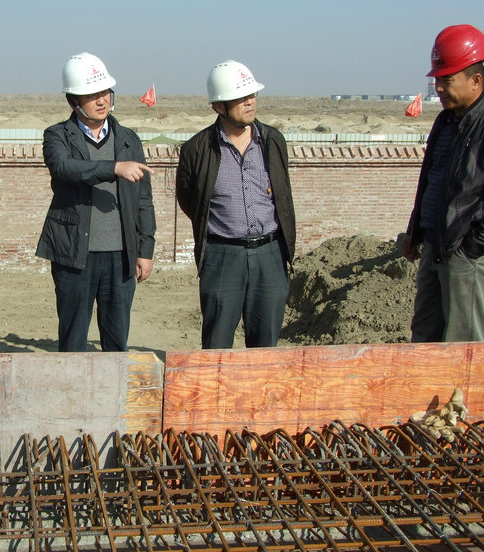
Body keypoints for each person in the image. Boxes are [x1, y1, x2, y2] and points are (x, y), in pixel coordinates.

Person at [401, 25, 484, 343]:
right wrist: (417, 231)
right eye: (437, 80)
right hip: (435, 245)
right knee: (424, 337)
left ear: (476, 80)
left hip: (464, 252)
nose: (439, 88)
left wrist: (471, 248)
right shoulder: (445, 122)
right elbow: (431, 182)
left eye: (447, 80)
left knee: (462, 343)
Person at [36, 52, 156, 352]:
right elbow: (65, 168)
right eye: (91, 95)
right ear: (73, 100)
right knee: (73, 340)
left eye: (105, 92)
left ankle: (113, 385)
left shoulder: (128, 139)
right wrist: (114, 168)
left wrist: (145, 250)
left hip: (121, 256)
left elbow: (143, 199)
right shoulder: (57, 136)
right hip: (74, 255)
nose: (102, 100)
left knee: (117, 342)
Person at [176, 59, 295, 349]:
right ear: (219, 106)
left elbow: (281, 194)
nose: (249, 102)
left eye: (251, 94)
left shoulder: (273, 141)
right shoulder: (197, 149)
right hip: (222, 257)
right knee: (217, 346)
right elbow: (190, 200)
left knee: (265, 347)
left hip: (270, 255)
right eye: (240, 97)